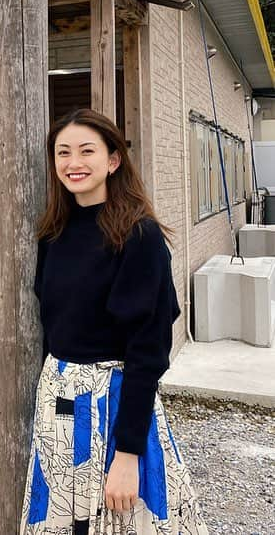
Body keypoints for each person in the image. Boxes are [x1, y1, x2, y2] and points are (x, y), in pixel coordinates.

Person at [20, 109, 208, 534]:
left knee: (124, 520)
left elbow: (149, 351)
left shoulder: (139, 236)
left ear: (113, 160)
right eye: (63, 152)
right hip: (57, 404)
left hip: (113, 402)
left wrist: (127, 455)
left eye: (87, 151)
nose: (74, 162)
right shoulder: (53, 232)